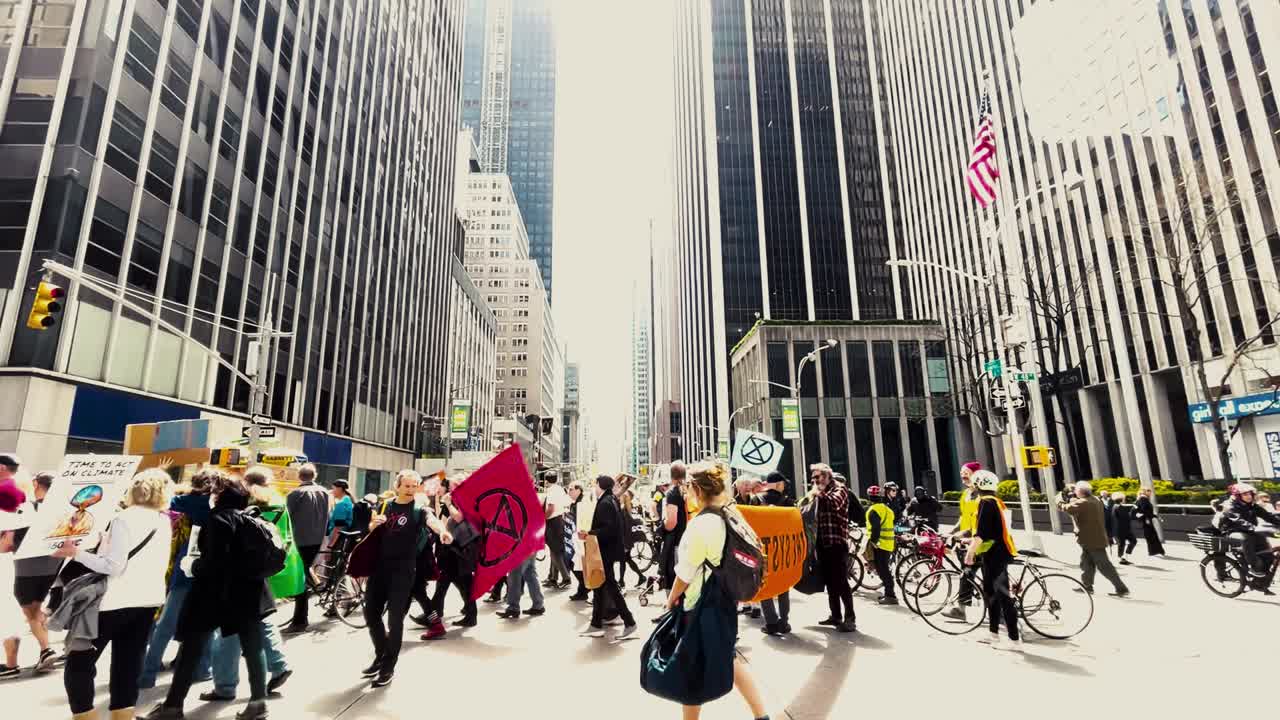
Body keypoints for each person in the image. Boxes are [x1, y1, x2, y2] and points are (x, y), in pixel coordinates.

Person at [142, 472, 276, 720]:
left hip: (213, 595)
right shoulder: (251, 520)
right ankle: (258, 703)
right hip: (251, 593)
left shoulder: (218, 520)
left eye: (214, 494)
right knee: (253, 648)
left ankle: (172, 706)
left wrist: (193, 566)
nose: (210, 497)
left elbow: (215, 563)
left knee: (191, 647)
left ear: (220, 497)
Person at [56, 469, 173, 720]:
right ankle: (122, 715)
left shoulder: (123, 519)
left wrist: (76, 553)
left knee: (80, 660)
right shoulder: (163, 520)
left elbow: (114, 566)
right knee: (127, 665)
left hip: (113, 601)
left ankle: (85, 715)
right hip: (147, 600)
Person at [665, 464, 770, 720]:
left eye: (689, 488)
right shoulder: (730, 516)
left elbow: (685, 574)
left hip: (700, 604)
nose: (687, 493)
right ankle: (761, 716)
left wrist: (670, 600)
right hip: (725, 598)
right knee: (726, 658)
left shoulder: (701, 525)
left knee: (693, 666)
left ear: (698, 489)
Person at [203, 467, 292, 702]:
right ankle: (278, 666)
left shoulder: (235, 509)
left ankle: (226, 686)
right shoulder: (279, 501)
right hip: (263, 570)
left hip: (236, 577)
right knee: (263, 623)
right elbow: (287, 534)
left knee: (228, 634)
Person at [363, 470, 449, 686]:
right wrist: (373, 525)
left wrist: (443, 532)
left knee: (394, 620)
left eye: (414, 486)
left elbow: (433, 521)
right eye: (407, 486)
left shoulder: (420, 509)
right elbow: (371, 529)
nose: (411, 490)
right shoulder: (384, 505)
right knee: (371, 614)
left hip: (403, 571)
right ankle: (381, 654)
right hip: (379, 569)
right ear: (398, 486)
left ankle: (388, 667)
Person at [139, 469, 217, 689]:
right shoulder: (222, 503)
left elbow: (164, 500)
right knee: (206, 625)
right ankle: (202, 669)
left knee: (165, 625)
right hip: (212, 571)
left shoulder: (187, 501)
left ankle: (148, 673)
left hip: (185, 569)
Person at [965, 470, 1021, 650]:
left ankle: (1014, 640)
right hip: (998, 552)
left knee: (1003, 595)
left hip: (995, 554)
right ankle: (993, 634)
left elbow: (981, 533)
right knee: (991, 594)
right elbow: (993, 530)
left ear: (978, 485)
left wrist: (970, 552)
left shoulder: (985, 502)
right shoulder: (997, 501)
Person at [12, 471, 59, 673]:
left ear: (36, 484)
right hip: (52, 568)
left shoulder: (27, 509)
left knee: (30, 612)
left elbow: (11, 538)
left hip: (27, 568)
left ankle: (47, 649)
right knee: (37, 609)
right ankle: (45, 650)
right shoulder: (60, 510)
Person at [580, 475, 637, 639]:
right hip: (609, 551)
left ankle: (630, 622)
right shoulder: (610, 499)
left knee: (609, 585)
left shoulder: (605, 502)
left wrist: (589, 533)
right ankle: (596, 624)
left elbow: (608, 529)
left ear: (600, 485)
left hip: (606, 551)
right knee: (599, 586)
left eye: (595, 484)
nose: (594, 487)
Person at [282, 464, 330, 634]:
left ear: (299, 476)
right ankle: (314, 584)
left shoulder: (295, 494)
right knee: (304, 572)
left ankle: (300, 619)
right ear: (314, 475)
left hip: (299, 539)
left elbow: (286, 517)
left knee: (299, 577)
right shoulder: (324, 492)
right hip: (317, 538)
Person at [1059, 481, 1129, 597]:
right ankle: (1087, 586)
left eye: (1076, 491)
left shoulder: (1084, 502)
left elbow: (1067, 508)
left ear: (1080, 492)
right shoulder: (1096, 500)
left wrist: (1059, 500)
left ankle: (1121, 588)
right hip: (1092, 538)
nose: (1075, 493)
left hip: (1092, 540)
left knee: (1104, 566)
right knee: (1086, 563)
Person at [810, 464, 855, 633]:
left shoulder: (840, 489)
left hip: (836, 543)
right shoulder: (818, 492)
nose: (815, 480)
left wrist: (818, 492)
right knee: (829, 583)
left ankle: (850, 618)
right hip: (822, 543)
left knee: (841, 581)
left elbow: (833, 504)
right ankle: (835, 615)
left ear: (827, 476)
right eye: (813, 477)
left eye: (818, 477)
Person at [432, 482, 478, 629]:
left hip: (460, 547)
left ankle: (433, 615)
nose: (450, 489)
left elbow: (459, 517)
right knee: (451, 581)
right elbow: (442, 519)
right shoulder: (459, 499)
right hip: (455, 547)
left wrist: (447, 502)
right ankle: (435, 613)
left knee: (457, 581)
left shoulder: (465, 498)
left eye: (452, 486)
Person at [941, 462, 983, 621]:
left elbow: (977, 522)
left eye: (966, 472)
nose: (963, 475)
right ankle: (961, 609)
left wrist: (960, 535)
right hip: (967, 542)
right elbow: (963, 517)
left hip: (981, 541)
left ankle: (1002, 612)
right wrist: (952, 532)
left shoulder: (983, 495)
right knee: (966, 575)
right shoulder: (966, 494)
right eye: (961, 472)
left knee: (985, 577)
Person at [1219, 483, 1280, 591]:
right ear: (1238, 496)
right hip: (1233, 531)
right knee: (1245, 538)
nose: (1249, 496)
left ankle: (1259, 582)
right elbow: (1239, 521)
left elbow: (1268, 516)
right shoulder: (1230, 506)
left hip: (1250, 530)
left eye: (1250, 494)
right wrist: (1255, 528)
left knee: (1269, 555)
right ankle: (1254, 567)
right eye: (1245, 494)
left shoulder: (1251, 505)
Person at [753, 471, 793, 636]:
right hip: (783, 550)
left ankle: (771, 622)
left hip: (762, 550)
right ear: (778, 484)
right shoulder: (789, 502)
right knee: (783, 585)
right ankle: (784, 622)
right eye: (783, 483)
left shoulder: (756, 500)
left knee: (764, 584)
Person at [1, 474, 32, 681]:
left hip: (4, 561)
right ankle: (11, 664)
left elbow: (6, 542)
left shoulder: (7, 514)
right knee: (8, 612)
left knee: (6, 613)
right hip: (13, 563)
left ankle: (11, 664)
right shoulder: (27, 510)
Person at [864, 485, 897, 605]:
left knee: (883, 570)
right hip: (889, 543)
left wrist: (873, 541)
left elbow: (876, 529)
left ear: (869, 497)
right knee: (884, 569)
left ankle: (891, 595)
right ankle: (889, 593)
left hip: (880, 544)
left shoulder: (873, 510)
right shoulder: (887, 509)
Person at [659, 462, 688, 590]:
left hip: (678, 541)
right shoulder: (690, 490)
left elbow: (671, 523)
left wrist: (662, 525)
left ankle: (675, 606)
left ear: (670, 475)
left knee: (677, 576)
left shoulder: (673, 493)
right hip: (692, 538)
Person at [542, 475, 573, 589]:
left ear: (546, 481)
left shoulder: (551, 491)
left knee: (555, 552)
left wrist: (542, 520)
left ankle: (566, 577)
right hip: (559, 520)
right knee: (555, 550)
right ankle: (553, 578)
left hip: (553, 522)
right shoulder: (560, 489)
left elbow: (550, 509)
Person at [567, 481, 590, 601]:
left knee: (575, 563)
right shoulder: (575, 503)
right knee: (575, 564)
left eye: (571, 489)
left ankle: (584, 589)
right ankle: (583, 589)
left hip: (580, 538)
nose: (569, 492)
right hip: (575, 538)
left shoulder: (582, 503)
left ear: (578, 490)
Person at [1133, 487, 1165, 558]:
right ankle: (1155, 551)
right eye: (1148, 491)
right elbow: (1144, 511)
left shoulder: (1143, 499)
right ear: (1144, 492)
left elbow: (1147, 511)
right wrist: (1147, 518)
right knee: (1151, 536)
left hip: (1147, 520)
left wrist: (1156, 516)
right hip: (1147, 521)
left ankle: (1155, 551)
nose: (1150, 492)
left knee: (1151, 536)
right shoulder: (1143, 499)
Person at [1110, 492, 1137, 565]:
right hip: (1122, 529)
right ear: (1122, 499)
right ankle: (1122, 558)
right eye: (1124, 499)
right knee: (1124, 543)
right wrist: (1133, 511)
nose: (1125, 500)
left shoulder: (1116, 506)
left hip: (1122, 529)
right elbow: (1127, 517)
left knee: (1128, 542)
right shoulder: (1119, 507)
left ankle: (1123, 557)